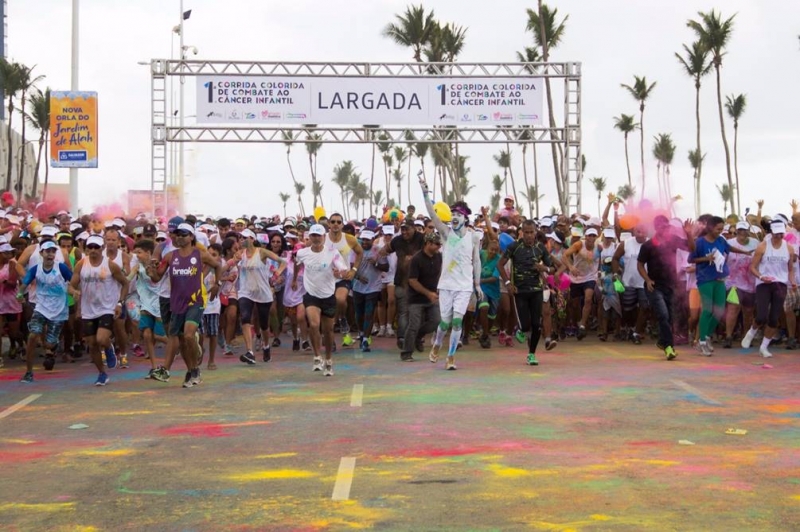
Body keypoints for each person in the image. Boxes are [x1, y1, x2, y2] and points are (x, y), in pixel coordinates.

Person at [418, 174, 483, 370]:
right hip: (446, 285)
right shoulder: (446, 234)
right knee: (444, 324)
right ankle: (437, 344)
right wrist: (425, 192)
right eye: (453, 214)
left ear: (465, 218)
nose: (454, 217)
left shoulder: (473, 237)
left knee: (456, 322)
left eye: (458, 215)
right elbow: (432, 213)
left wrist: (477, 284)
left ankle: (451, 357)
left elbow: (477, 261)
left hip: (463, 287)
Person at [152, 223, 221, 388]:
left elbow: (217, 265)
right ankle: (193, 370)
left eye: (183, 234)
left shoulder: (200, 255)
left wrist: (217, 283)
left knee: (188, 335)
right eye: (177, 234)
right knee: (181, 340)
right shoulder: (169, 257)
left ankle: (195, 367)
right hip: (177, 303)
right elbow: (156, 278)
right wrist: (151, 269)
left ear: (191, 237)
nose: (180, 237)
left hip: (195, 301)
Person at [70, 235, 130, 386]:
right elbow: (71, 285)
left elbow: (125, 283)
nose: (93, 250)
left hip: (107, 308)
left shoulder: (110, 265)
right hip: (88, 309)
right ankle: (102, 374)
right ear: (86, 249)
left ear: (102, 249)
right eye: (90, 247)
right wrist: (74, 292)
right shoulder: (81, 264)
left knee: (101, 339)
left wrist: (120, 303)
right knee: (92, 343)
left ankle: (109, 347)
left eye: (96, 247)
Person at [689, 216, 753, 356]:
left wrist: (745, 252)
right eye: (718, 229)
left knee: (719, 311)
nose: (720, 231)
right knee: (707, 310)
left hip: (720, 280)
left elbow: (729, 247)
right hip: (705, 280)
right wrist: (707, 258)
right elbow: (691, 259)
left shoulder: (721, 240)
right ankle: (700, 342)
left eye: (722, 229)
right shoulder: (700, 242)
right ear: (710, 228)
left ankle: (706, 337)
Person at [293, 224, 350, 376]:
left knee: (328, 330)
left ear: (324, 237)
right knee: (313, 324)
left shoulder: (332, 252)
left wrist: (339, 273)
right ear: (309, 237)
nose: (316, 238)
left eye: (319, 236)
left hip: (328, 295)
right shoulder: (302, 253)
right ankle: (317, 357)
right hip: (311, 295)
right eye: (313, 235)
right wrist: (294, 280)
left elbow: (343, 271)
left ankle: (329, 360)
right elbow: (296, 265)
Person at [16, 242, 76, 383]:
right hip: (41, 308)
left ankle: (52, 348)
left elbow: (73, 281)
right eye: (47, 251)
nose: (50, 254)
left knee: (49, 344)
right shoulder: (35, 269)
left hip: (58, 311)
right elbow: (24, 284)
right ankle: (29, 372)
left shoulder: (61, 268)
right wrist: (19, 294)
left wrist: (74, 291)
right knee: (32, 336)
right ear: (41, 253)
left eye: (52, 251)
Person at [497, 220, 555, 366]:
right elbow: (500, 265)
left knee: (537, 324)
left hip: (536, 290)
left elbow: (552, 267)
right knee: (525, 325)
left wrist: (544, 269)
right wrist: (508, 283)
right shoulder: (514, 247)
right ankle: (520, 329)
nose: (529, 235)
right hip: (520, 291)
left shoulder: (540, 248)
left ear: (535, 232)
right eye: (526, 232)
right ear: (522, 232)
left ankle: (532, 354)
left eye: (532, 232)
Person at [637, 216, 694, 360]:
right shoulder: (648, 245)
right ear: (656, 228)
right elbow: (640, 264)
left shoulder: (673, 240)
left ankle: (663, 341)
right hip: (654, 286)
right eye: (662, 226)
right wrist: (648, 280)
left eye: (667, 226)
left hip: (670, 285)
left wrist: (688, 233)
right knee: (663, 314)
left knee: (669, 317)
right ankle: (669, 346)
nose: (665, 229)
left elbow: (692, 248)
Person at [742, 221, 796, 358]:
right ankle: (751, 332)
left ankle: (764, 347)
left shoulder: (789, 248)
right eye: (776, 234)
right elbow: (752, 267)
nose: (779, 236)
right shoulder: (763, 247)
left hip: (781, 284)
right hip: (764, 283)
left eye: (781, 234)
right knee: (761, 316)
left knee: (774, 318)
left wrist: (792, 281)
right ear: (771, 233)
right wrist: (761, 276)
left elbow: (790, 269)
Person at [236, 228, 286, 365]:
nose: (242, 240)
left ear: (252, 239)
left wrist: (277, 274)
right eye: (240, 237)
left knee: (264, 324)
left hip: (263, 293)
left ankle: (266, 346)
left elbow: (283, 262)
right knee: (245, 317)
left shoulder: (262, 252)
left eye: (245, 237)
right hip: (246, 292)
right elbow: (231, 265)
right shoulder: (240, 254)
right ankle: (249, 352)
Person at [381, 218, 424, 347]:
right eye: (402, 229)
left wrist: (416, 257)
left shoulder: (422, 239)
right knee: (403, 311)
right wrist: (379, 255)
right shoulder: (397, 240)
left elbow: (432, 251)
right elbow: (385, 250)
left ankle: (417, 338)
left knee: (417, 311)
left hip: (419, 282)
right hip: (401, 281)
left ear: (414, 228)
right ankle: (402, 338)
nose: (404, 232)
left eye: (407, 229)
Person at [401, 232, 443, 361]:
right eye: (436, 244)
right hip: (416, 299)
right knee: (413, 325)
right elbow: (412, 281)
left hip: (432, 296)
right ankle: (406, 352)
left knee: (436, 321)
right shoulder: (417, 259)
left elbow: (440, 272)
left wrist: (438, 289)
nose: (439, 247)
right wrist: (428, 293)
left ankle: (419, 335)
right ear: (428, 244)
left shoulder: (438, 257)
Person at [324, 212, 363, 348]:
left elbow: (360, 253)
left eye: (338, 222)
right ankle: (333, 335)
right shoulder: (323, 239)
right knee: (329, 309)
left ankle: (340, 319)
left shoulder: (349, 239)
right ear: (328, 224)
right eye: (333, 222)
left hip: (343, 277)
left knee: (340, 300)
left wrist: (354, 270)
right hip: (326, 278)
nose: (335, 224)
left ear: (342, 225)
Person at [130, 238, 166, 380]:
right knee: (146, 334)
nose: (136, 255)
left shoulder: (158, 264)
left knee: (158, 335)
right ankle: (154, 367)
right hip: (145, 303)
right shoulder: (138, 266)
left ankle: (182, 345)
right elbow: (128, 277)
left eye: (139, 252)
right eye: (135, 252)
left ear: (148, 252)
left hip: (159, 301)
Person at [722, 221, 758, 348]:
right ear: (736, 231)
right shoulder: (729, 244)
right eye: (740, 230)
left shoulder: (755, 243)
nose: (742, 232)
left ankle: (746, 338)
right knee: (733, 308)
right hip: (733, 282)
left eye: (744, 230)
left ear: (748, 231)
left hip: (750, 283)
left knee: (748, 312)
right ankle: (728, 337)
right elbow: (722, 260)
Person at [351, 230, 388, 352]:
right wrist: (358, 277)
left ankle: (366, 339)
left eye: (368, 240)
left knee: (369, 312)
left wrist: (376, 263)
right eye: (363, 239)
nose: (365, 242)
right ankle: (361, 333)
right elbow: (350, 267)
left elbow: (386, 267)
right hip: (357, 286)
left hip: (373, 286)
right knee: (359, 313)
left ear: (373, 240)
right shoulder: (356, 250)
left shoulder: (378, 250)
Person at [562, 227, 600, 340]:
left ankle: (582, 325)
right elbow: (565, 255)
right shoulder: (579, 245)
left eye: (594, 236)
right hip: (576, 277)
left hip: (590, 277)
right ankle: (576, 323)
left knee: (588, 299)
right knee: (574, 304)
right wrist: (571, 267)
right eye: (590, 235)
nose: (591, 238)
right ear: (586, 236)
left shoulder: (599, 247)